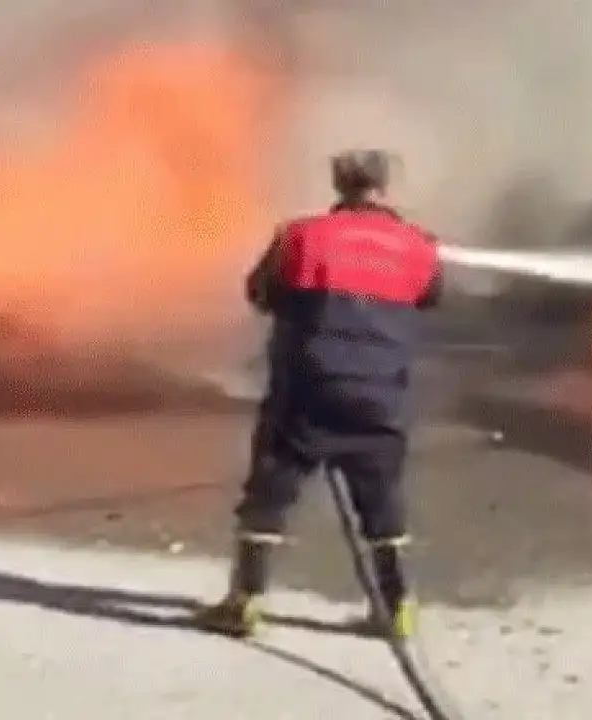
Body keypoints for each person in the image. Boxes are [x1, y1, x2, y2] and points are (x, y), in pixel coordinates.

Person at [194, 149, 443, 640]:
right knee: (381, 504)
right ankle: (398, 608)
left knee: (269, 494)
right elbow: (429, 297)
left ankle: (245, 602)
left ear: (338, 184)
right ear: (385, 188)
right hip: (381, 396)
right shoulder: (419, 245)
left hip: (307, 388)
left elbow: (260, 292)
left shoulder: (300, 236)